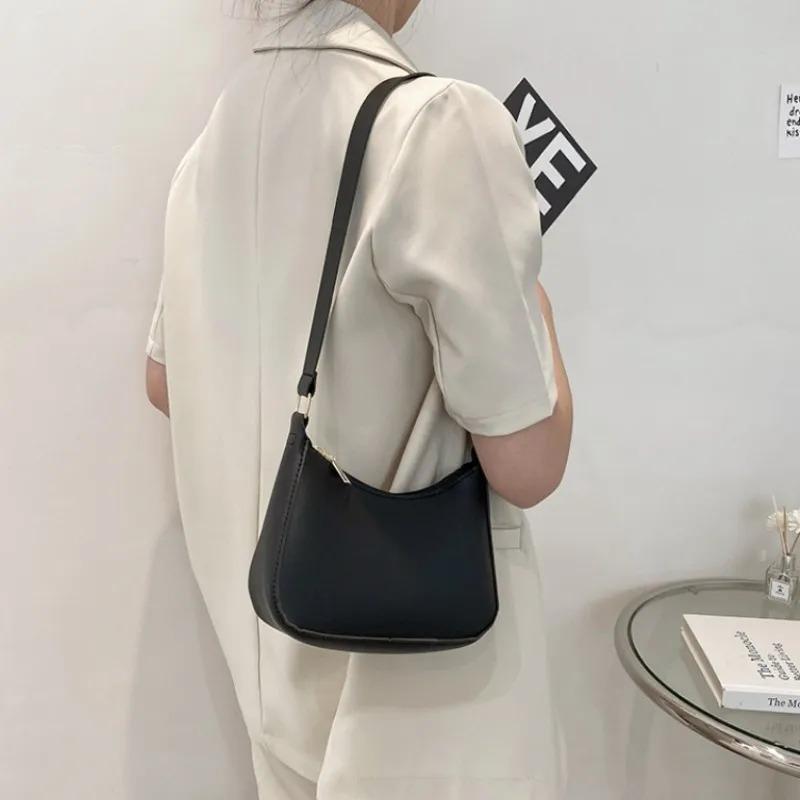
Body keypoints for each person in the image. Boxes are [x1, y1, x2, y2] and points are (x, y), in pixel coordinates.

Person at [144, 0, 573, 797]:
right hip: (424, 709)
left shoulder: (206, 154)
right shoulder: (437, 125)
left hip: (273, 686)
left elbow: (164, 381)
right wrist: (534, 307)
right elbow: (530, 464)